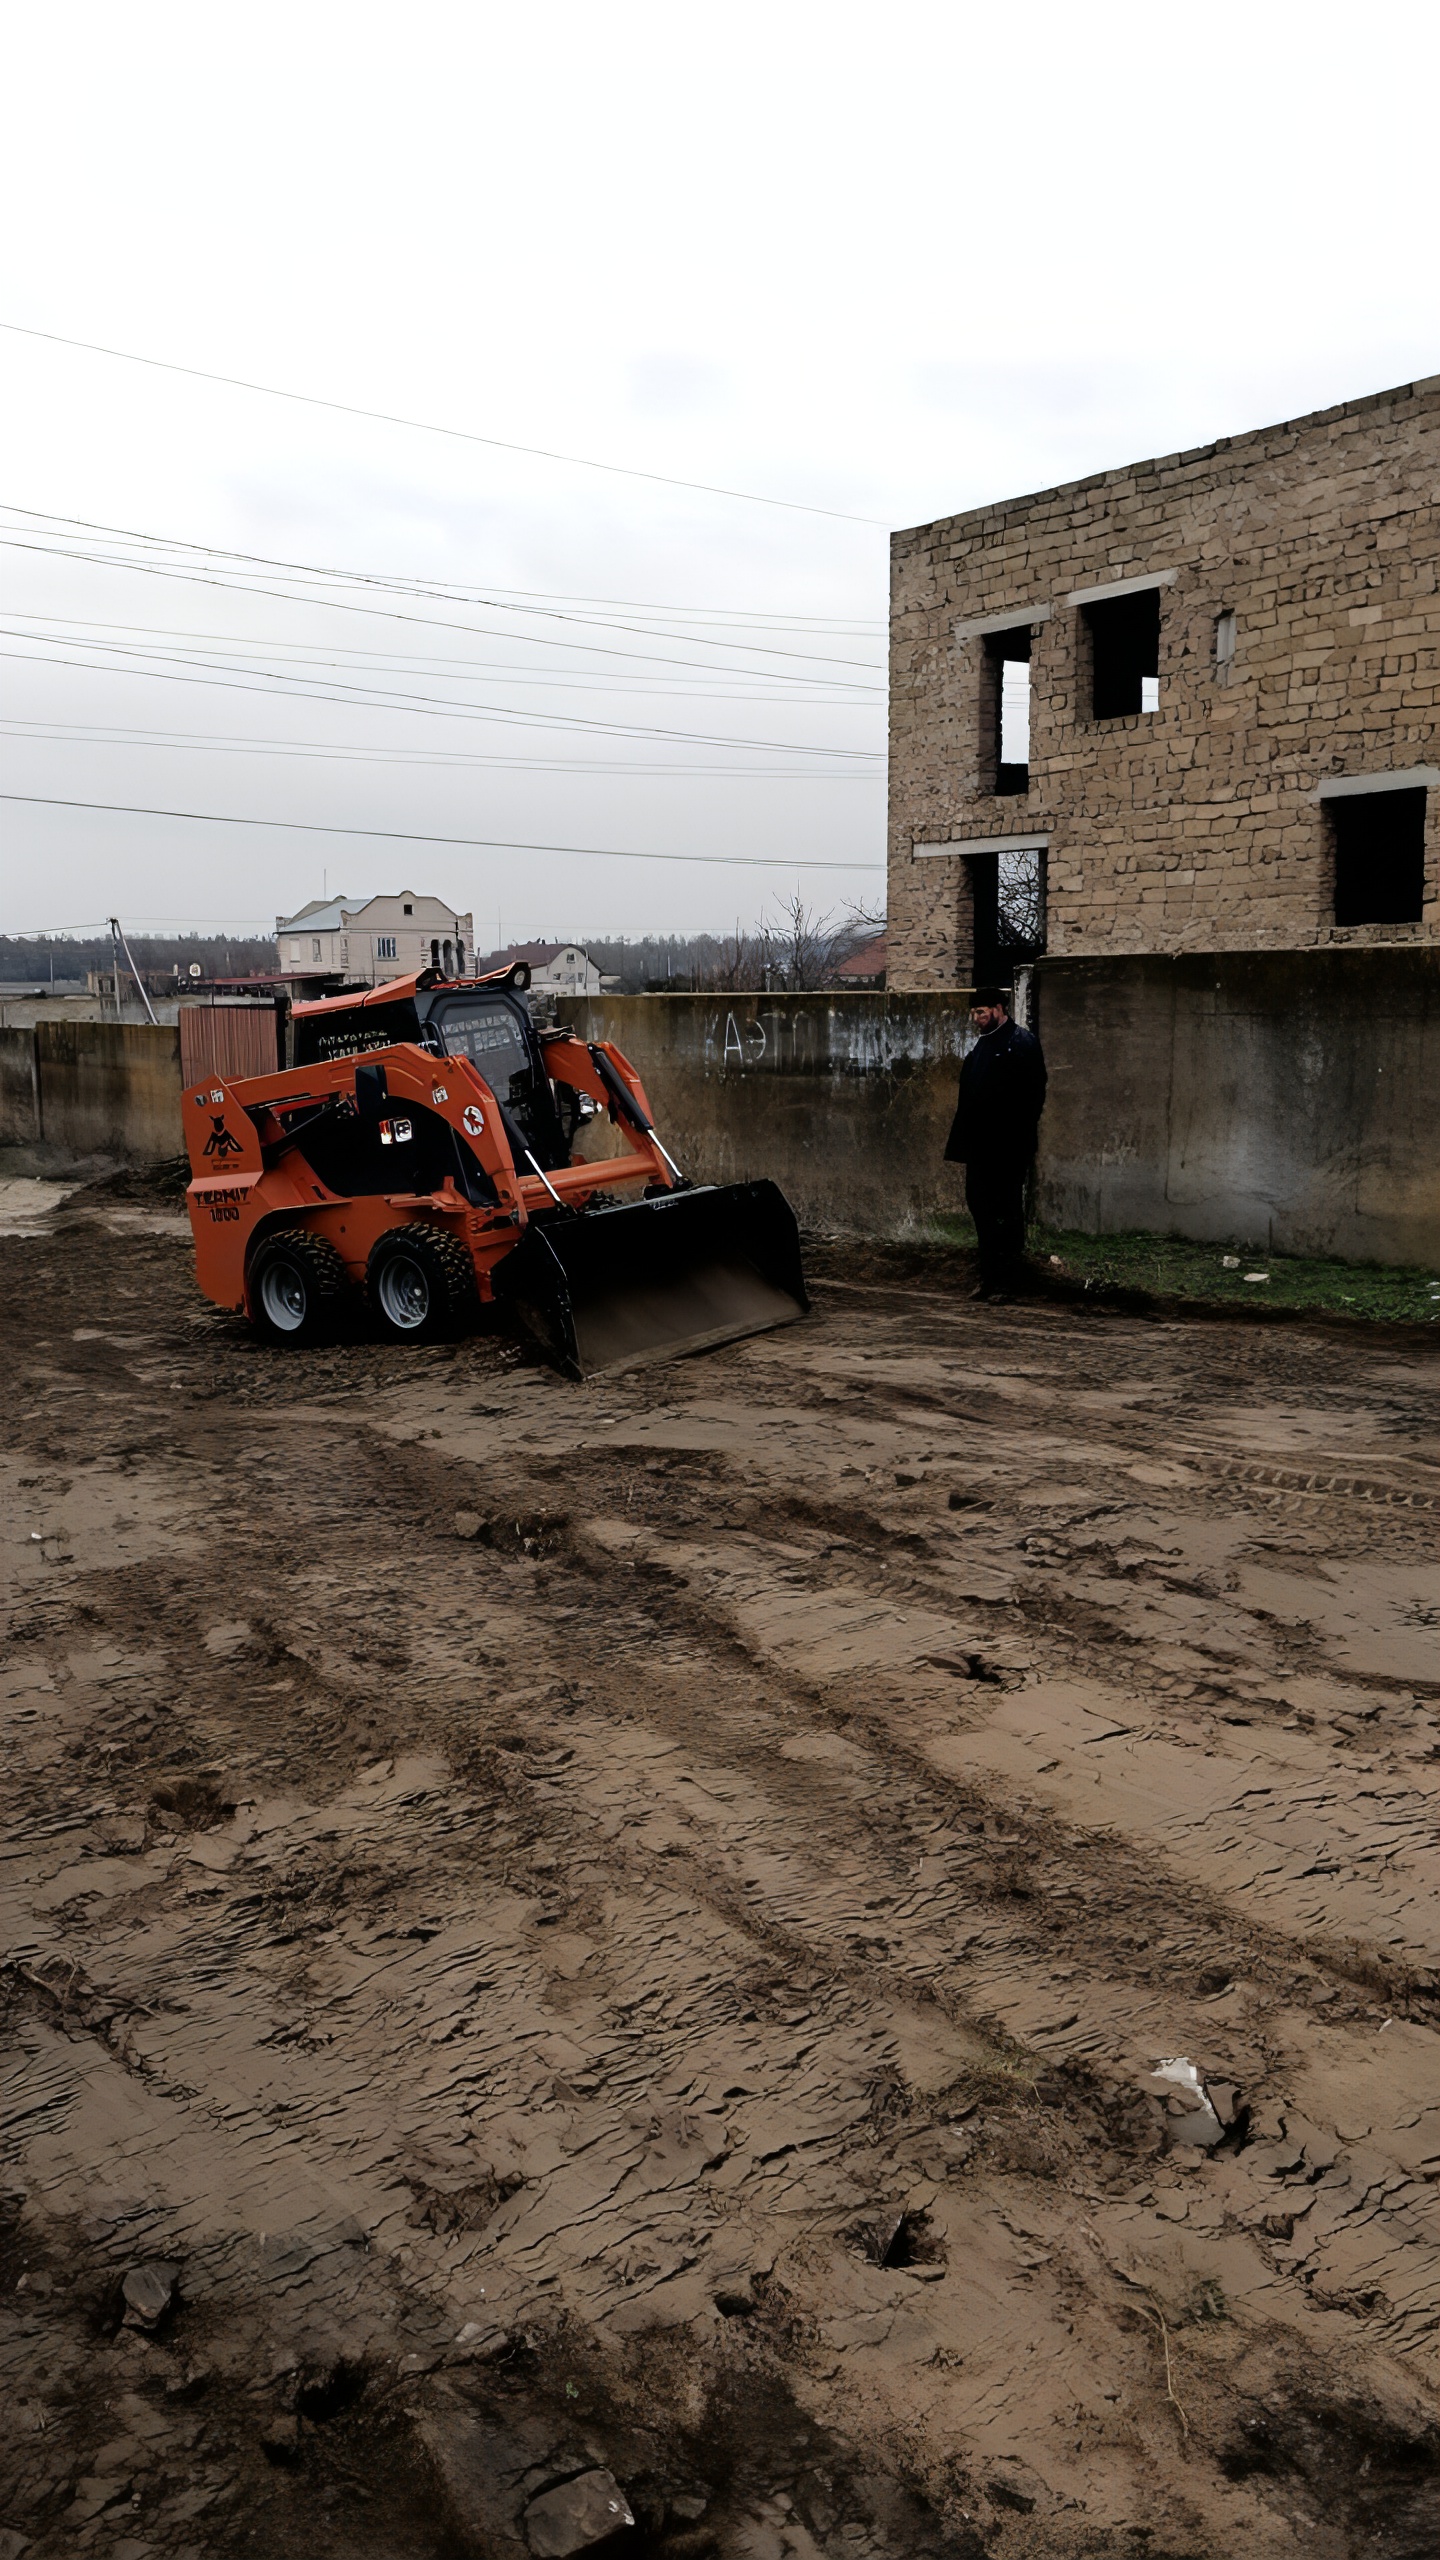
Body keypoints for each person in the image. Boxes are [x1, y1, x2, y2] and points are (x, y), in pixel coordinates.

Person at [944, 984, 1047, 1299]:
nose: (976, 1018)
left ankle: (1007, 1282)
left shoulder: (1023, 1043)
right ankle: (989, 1278)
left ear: (999, 1010)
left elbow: (1033, 1098)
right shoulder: (981, 1046)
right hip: (980, 1148)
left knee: (1006, 1212)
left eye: (981, 1012)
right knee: (980, 1207)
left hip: (1008, 1149)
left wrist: (1015, 1139)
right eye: (974, 1012)